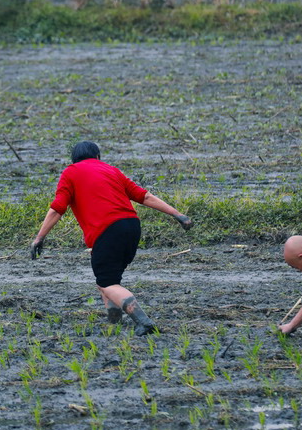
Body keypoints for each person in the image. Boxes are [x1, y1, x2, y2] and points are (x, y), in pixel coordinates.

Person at [29, 141, 194, 335]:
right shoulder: (111, 170)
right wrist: (178, 214)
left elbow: (58, 208)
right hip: (132, 226)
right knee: (107, 281)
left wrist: (39, 237)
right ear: (98, 156)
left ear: (73, 160)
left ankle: (143, 321)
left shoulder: (71, 172)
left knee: (108, 284)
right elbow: (145, 196)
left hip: (107, 230)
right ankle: (114, 323)